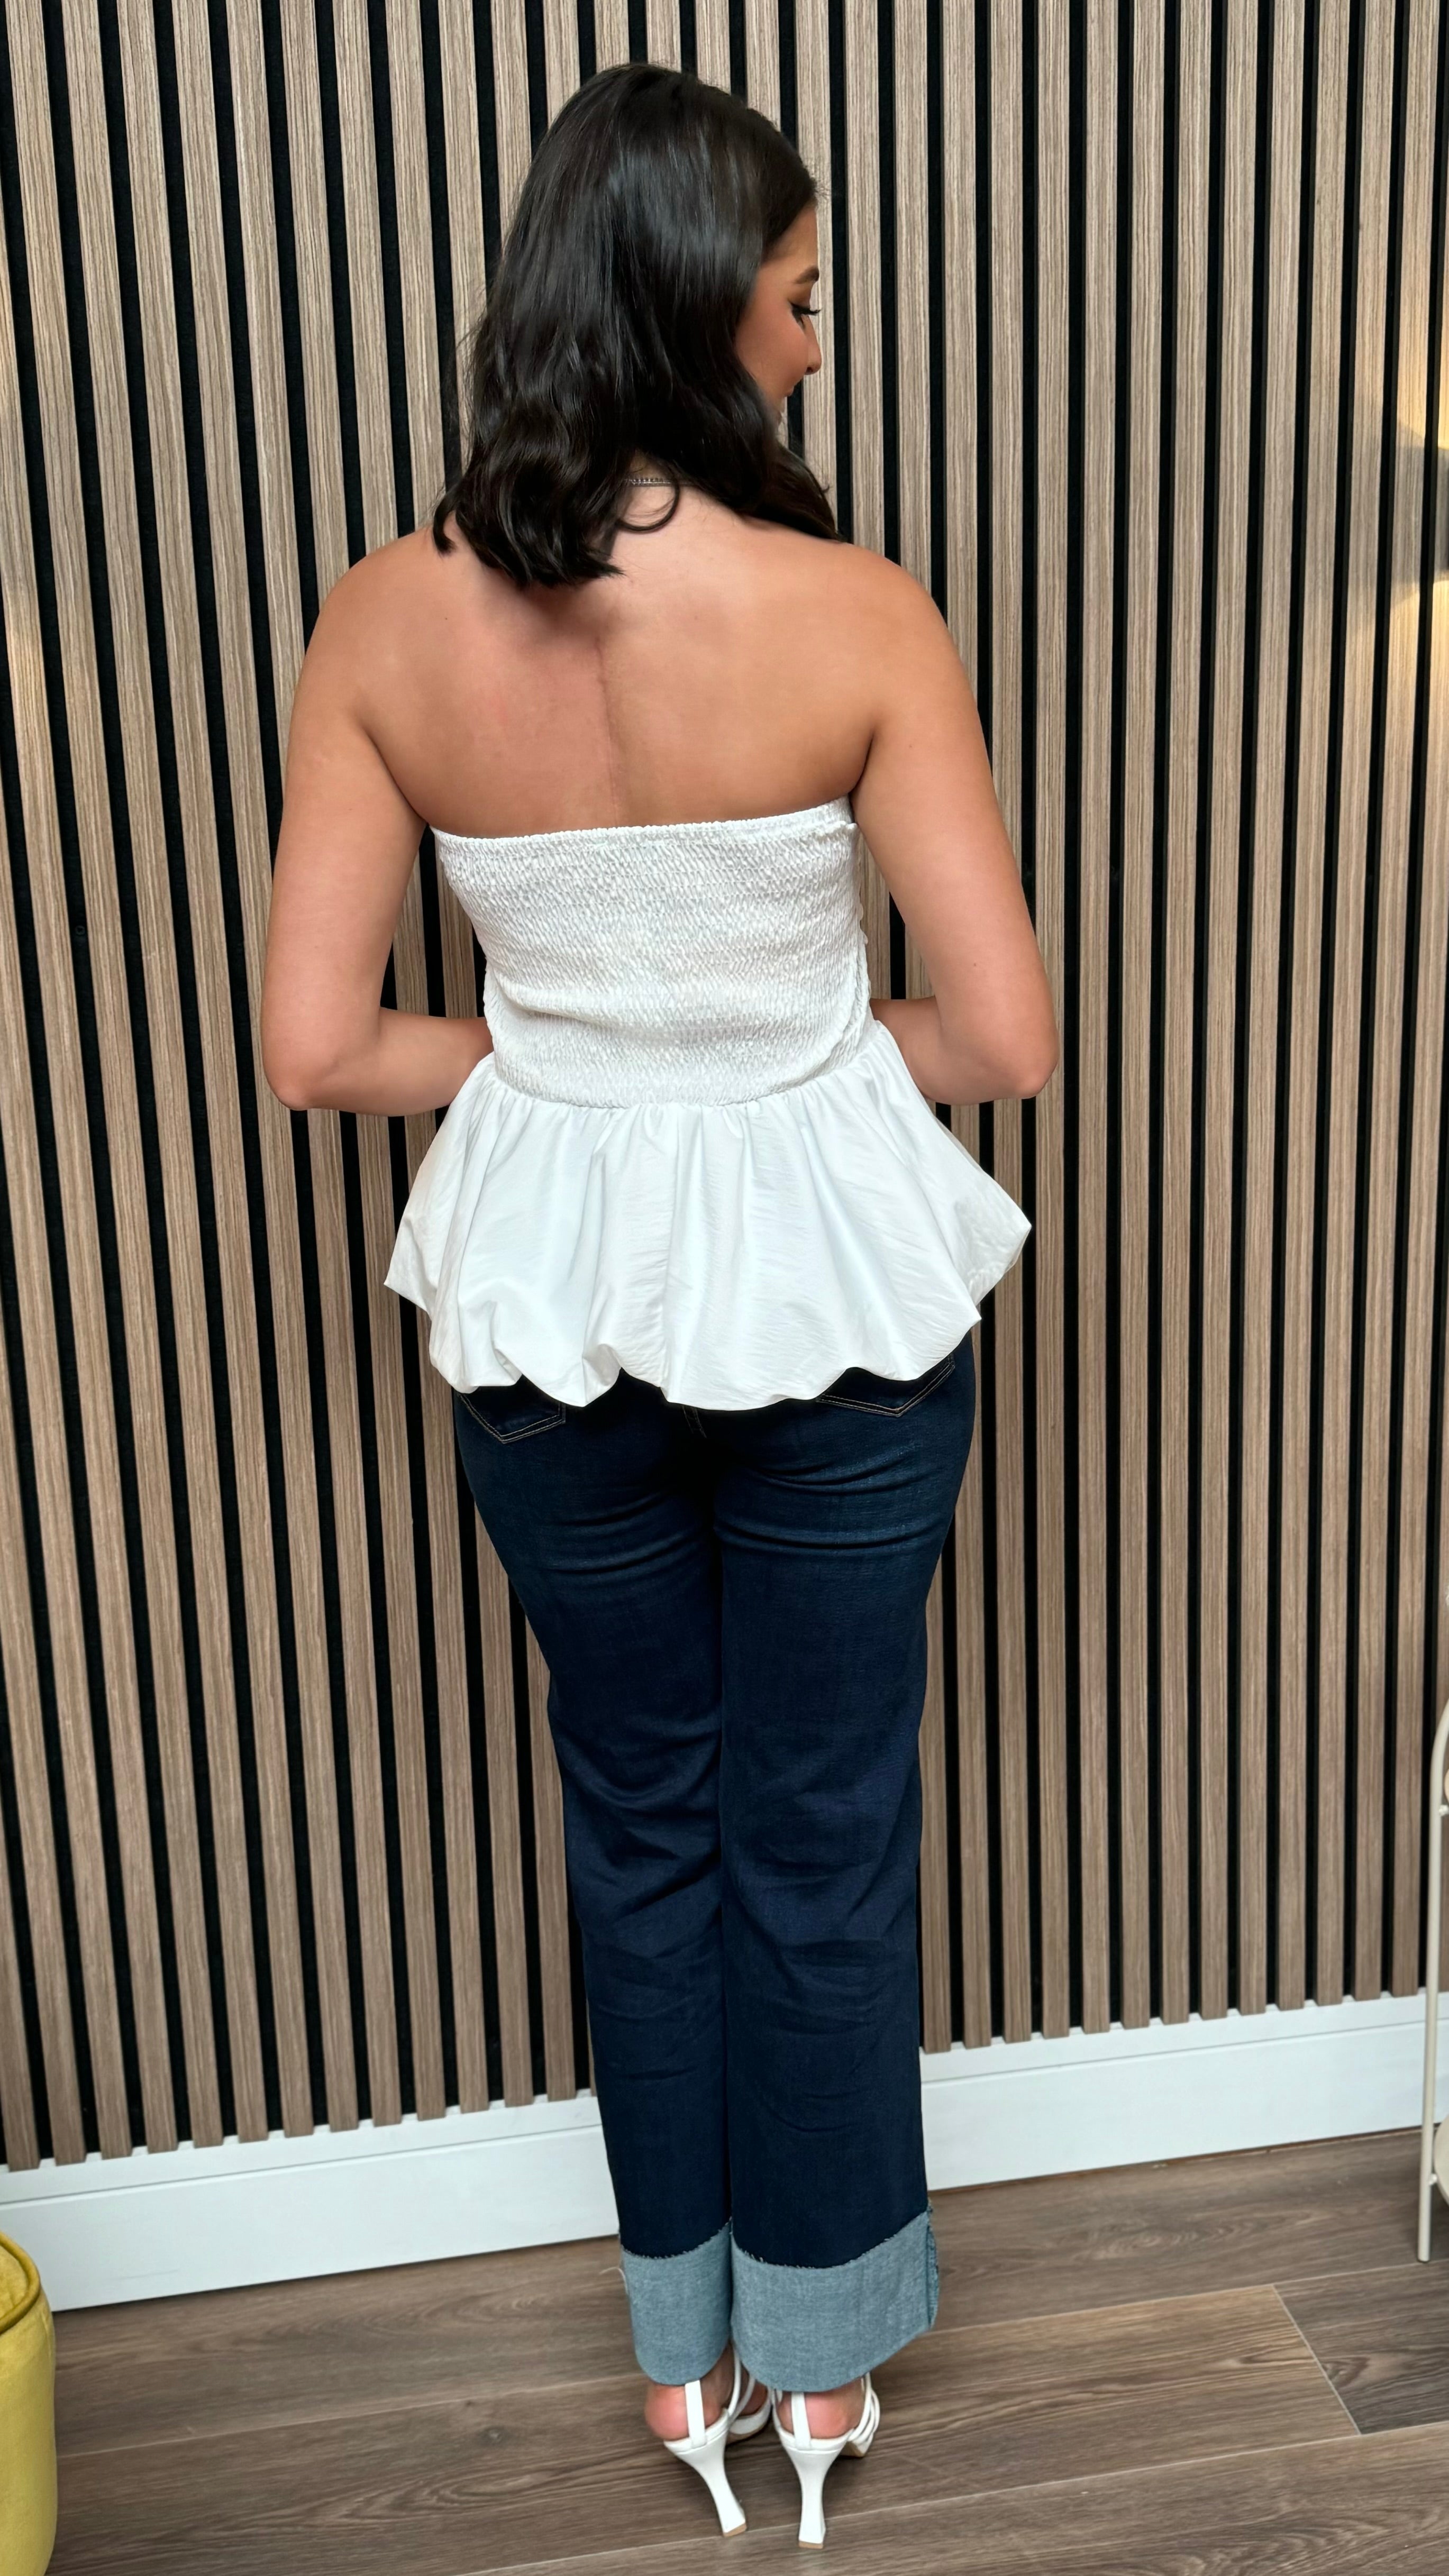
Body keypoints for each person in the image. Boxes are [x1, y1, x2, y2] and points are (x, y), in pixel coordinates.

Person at [261, 60, 1056, 2551]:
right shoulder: (853, 612)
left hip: (547, 1298)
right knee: (819, 1831)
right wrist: (775, 1052)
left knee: (640, 1826)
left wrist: (562, 1057)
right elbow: (1003, 1037)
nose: (814, 342)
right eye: (800, 297)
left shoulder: (383, 616)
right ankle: (821, 2376)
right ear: (707, 302)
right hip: (836, 1293)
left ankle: (680, 2364)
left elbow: (317, 1048)